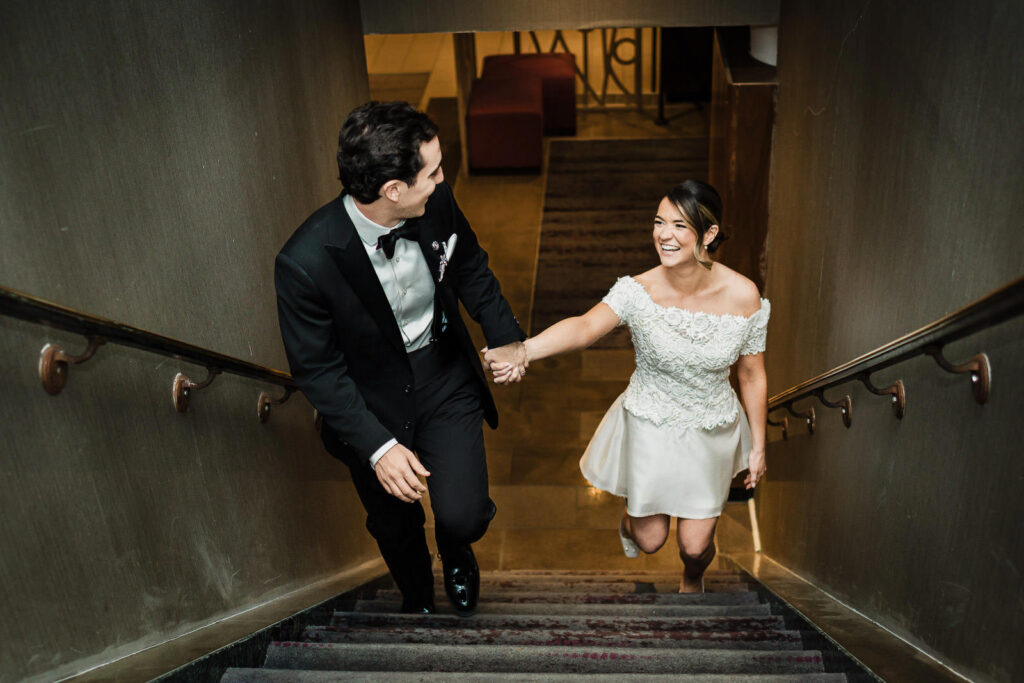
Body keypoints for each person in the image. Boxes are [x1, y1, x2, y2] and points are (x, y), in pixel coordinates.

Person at [275, 101, 527, 615]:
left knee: (465, 515)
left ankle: (457, 547)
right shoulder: (304, 263)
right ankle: (417, 597)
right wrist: (377, 446)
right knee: (395, 523)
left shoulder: (436, 203)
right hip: (371, 402)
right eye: (432, 171)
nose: (442, 179)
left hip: (442, 372)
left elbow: (470, 265)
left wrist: (505, 336)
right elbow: (317, 370)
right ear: (393, 190)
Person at [487, 179, 768, 592]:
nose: (664, 235)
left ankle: (694, 577)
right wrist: (523, 351)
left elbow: (751, 373)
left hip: (711, 428)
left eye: (679, 226)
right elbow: (584, 327)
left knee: (694, 546)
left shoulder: (744, 294)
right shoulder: (637, 290)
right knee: (650, 540)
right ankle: (631, 520)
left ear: (708, 234)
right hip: (650, 423)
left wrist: (757, 444)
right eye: (659, 222)